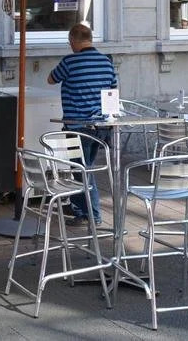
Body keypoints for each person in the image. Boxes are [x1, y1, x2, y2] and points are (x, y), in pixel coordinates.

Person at [47, 22, 117, 227]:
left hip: (78, 125)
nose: (70, 46)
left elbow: (51, 79)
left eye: (70, 42)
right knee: (83, 167)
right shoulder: (106, 62)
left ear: (73, 41)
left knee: (82, 170)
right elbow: (113, 90)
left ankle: (93, 215)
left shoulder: (70, 62)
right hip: (101, 126)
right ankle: (78, 207)